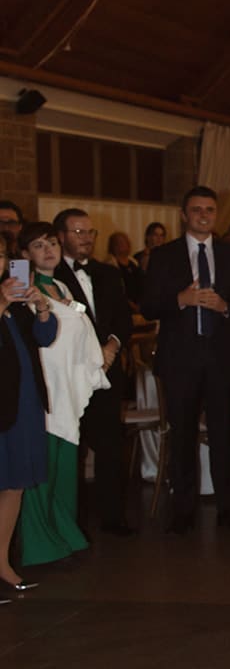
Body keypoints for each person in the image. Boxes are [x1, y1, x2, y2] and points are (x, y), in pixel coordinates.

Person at [141, 186, 230, 534]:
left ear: (216, 214)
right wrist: (180, 298)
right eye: (196, 210)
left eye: (209, 209)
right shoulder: (164, 256)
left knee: (224, 435)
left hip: (221, 358)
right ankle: (183, 511)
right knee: (182, 436)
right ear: (184, 214)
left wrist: (225, 308)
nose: (204, 215)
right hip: (179, 359)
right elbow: (147, 305)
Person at [18, 222, 109, 568]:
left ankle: (63, 532)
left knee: (64, 467)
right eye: (38, 245)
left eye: (53, 243)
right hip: (44, 388)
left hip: (67, 388)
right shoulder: (26, 289)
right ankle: (39, 543)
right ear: (24, 255)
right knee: (44, 467)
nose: (49, 250)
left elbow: (80, 323)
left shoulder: (59, 286)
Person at [53, 207, 135, 536]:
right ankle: (70, 523)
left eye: (90, 232)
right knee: (71, 449)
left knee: (110, 447)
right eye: (78, 232)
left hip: (104, 371)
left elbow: (122, 321)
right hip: (68, 375)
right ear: (61, 236)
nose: (86, 238)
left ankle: (113, 518)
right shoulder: (50, 275)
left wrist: (111, 347)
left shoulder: (108, 273)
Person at [0, 231, 57, 601]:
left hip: (20, 398)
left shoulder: (14, 296)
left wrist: (41, 307)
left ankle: (1, 562)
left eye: (1, 254)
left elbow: (45, 336)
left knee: (14, 482)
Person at [106, 231, 145, 309]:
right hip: (122, 307)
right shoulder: (109, 264)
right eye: (119, 243)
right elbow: (115, 291)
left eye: (125, 242)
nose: (124, 245)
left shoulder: (134, 262)